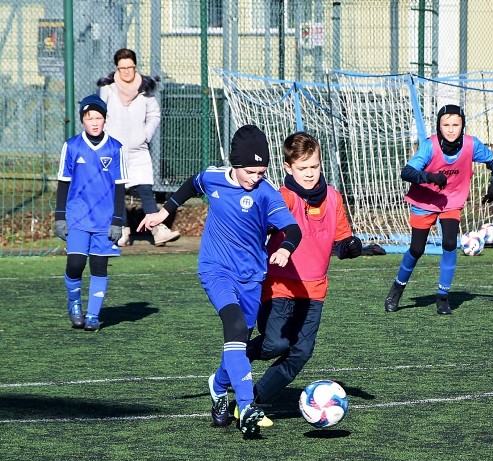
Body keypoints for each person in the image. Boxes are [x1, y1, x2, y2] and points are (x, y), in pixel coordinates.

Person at [137, 125, 302, 436]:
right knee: (236, 327)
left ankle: (218, 386)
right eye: (251, 171)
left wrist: (285, 248)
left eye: (262, 171)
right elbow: (191, 184)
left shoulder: (266, 193)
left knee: (237, 343)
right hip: (215, 270)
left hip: (252, 278)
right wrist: (163, 213)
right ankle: (247, 405)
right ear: (235, 165)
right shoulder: (213, 178)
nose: (257, 177)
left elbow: (293, 229)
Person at [240, 131, 362, 427]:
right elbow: (256, 229)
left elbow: (341, 241)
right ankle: (235, 357)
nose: (309, 174)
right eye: (302, 168)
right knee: (275, 346)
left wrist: (353, 246)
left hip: (315, 290)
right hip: (279, 285)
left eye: (314, 167)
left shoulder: (333, 197)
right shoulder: (283, 197)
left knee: (301, 352)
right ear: (287, 167)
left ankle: (253, 401)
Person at [384, 104, 493, 315]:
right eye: (445, 124)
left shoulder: (470, 144)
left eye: (455, 124)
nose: (450, 129)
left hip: (451, 200)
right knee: (417, 249)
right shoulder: (429, 146)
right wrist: (429, 177)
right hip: (424, 201)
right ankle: (397, 288)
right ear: (439, 126)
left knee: (450, 243)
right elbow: (406, 172)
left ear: (462, 125)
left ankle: (442, 296)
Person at [54, 95, 128, 332]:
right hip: (77, 217)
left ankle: (93, 315)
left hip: (105, 220)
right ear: (82, 121)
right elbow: (63, 183)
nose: (94, 122)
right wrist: (59, 216)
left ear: (105, 120)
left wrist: (118, 220)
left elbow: (120, 186)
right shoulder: (72, 146)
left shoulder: (116, 147)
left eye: (98, 117)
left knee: (99, 266)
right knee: (75, 264)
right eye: (89, 118)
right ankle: (74, 304)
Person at [98, 48, 180, 247]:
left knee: (145, 190)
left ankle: (158, 230)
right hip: (114, 150)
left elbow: (154, 115)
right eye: (122, 67)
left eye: (130, 67)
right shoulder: (108, 89)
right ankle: (122, 230)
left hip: (139, 151)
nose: (127, 71)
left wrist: (146, 135)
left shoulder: (145, 90)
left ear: (135, 66)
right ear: (117, 68)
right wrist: (105, 139)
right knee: (116, 190)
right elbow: (99, 113)